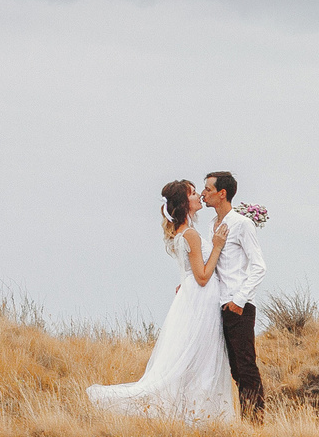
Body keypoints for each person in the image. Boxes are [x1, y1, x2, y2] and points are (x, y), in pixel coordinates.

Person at [86, 180, 237, 420]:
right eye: (193, 193)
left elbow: (191, 273)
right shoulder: (190, 235)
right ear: (184, 202)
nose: (199, 196)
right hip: (201, 298)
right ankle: (198, 413)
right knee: (203, 356)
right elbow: (202, 277)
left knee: (194, 355)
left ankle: (195, 411)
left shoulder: (182, 232)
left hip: (191, 297)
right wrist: (218, 246)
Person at [201, 171, 267, 419]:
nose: (203, 194)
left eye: (208, 189)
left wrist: (238, 301)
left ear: (222, 193)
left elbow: (259, 266)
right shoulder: (210, 226)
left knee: (246, 366)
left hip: (238, 306)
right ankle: (245, 419)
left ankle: (255, 422)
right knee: (233, 369)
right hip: (217, 306)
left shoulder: (242, 224)